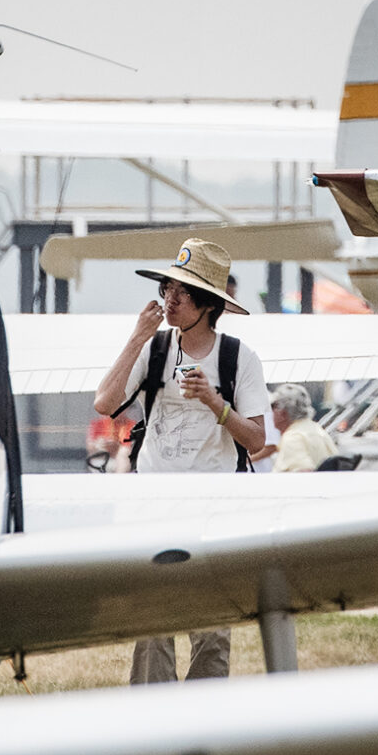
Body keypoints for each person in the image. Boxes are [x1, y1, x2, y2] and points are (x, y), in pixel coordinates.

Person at [95, 237, 269, 683]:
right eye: (167, 289)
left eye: (182, 292)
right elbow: (104, 402)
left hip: (216, 510)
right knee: (153, 626)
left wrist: (216, 403)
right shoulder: (152, 350)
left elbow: (256, 441)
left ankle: (204, 728)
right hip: (153, 505)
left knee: (211, 630)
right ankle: (153, 730)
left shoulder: (238, 358)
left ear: (209, 304)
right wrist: (137, 337)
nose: (170, 299)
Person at [269, 383, 336, 473]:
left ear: (282, 413)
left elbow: (304, 472)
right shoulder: (317, 429)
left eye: (272, 407)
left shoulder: (292, 438)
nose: (270, 412)